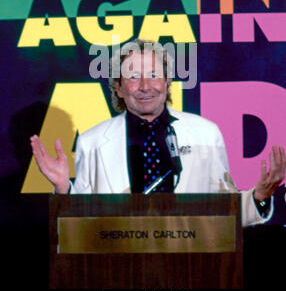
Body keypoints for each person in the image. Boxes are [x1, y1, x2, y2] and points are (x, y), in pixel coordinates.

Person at [30, 39, 286, 227]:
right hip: (119, 266)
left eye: (154, 75)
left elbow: (223, 209)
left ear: (167, 82)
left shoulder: (205, 134)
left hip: (189, 263)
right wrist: (64, 188)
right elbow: (82, 220)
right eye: (133, 77)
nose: (145, 86)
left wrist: (260, 196)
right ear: (118, 88)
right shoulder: (92, 142)